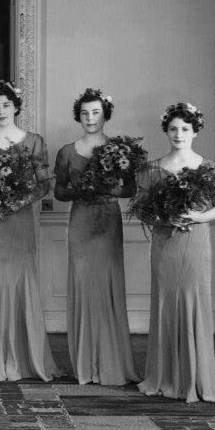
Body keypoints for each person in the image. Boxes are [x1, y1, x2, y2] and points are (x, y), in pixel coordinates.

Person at [135, 102, 215, 403]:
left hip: (195, 243)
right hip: (164, 243)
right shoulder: (151, 169)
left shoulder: (210, 168)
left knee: (195, 303)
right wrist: (165, 218)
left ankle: (197, 377)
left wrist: (196, 216)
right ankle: (164, 375)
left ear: (195, 131)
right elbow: (141, 209)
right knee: (166, 304)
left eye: (185, 129)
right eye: (173, 129)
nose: (178, 134)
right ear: (166, 131)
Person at [0, 80, 60, 382]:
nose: (1, 110)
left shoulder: (34, 142)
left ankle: (24, 358)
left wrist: (16, 201)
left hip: (21, 222)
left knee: (23, 283)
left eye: (6, 105)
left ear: (16, 107)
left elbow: (44, 185)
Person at [53, 89, 140, 386]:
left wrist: (108, 188)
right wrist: (81, 190)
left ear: (105, 115)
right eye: (85, 113)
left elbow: (131, 189)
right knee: (82, 284)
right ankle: (85, 365)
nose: (90, 118)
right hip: (80, 221)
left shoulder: (120, 149)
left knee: (107, 285)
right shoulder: (66, 152)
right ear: (78, 116)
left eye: (96, 112)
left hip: (108, 221)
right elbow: (59, 192)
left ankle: (111, 363)